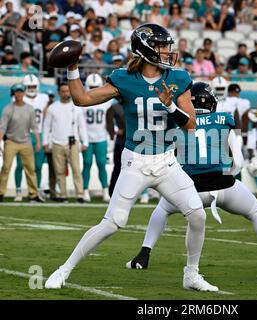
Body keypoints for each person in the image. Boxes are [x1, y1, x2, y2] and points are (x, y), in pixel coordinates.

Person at [45, 23, 218, 292]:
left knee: (197, 214)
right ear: (146, 48)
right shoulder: (124, 78)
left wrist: (169, 104)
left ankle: (191, 274)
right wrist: (72, 68)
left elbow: (190, 124)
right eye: (161, 46)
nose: (166, 51)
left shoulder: (179, 78)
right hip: (135, 162)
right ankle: (63, 270)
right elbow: (81, 99)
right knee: (113, 223)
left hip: (166, 162)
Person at [126, 82, 257, 274]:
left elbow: (167, 158)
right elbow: (238, 163)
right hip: (223, 185)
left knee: (162, 209)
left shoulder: (176, 123)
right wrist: (225, 179)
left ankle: (144, 254)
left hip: (189, 189)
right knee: (256, 212)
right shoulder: (225, 119)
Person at [43, 83, 88, 203]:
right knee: (59, 171)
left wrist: (85, 141)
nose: (65, 93)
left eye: (67, 91)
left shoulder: (77, 107)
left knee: (76, 169)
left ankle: (80, 195)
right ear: (59, 92)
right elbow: (47, 126)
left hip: (73, 143)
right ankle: (62, 195)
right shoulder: (53, 108)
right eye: (63, 91)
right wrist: (45, 142)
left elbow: (82, 126)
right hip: (57, 143)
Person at [0, 83, 43, 203]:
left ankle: (33, 194)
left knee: (30, 169)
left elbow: (34, 127)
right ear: (13, 94)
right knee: (6, 168)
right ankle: (1, 193)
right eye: (16, 92)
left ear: (24, 93)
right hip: (11, 142)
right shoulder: (8, 109)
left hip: (26, 142)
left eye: (21, 91)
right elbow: (2, 128)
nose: (19, 94)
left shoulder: (29, 109)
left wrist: (38, 141)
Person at [14, 75, 49, 202]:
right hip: (23, 134)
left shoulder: (43, 98)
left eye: (34, 86)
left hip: (38, 133)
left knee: (38, 166)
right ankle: (18, 190)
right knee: (20, 165)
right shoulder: (18, 98)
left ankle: (36, 190)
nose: (32, 89)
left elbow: (46, 118)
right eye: (29, 87)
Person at [82, 73, 112, 203]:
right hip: (87, 138)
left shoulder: (107, 102)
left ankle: (105, 191)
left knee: (101, 164)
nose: (94, 89)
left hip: (101, 137)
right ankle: (85, 191)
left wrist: (110, 138)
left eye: (96, 86)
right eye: (92, 86)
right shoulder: (82, 100)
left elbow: (110, 122)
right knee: (87, 164)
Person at [106, 100, 125, 196]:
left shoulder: (135, 104)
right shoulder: (114, 107)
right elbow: (108, 122)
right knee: (118, 168)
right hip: (121, 142)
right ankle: (112, 192)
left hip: (135, 141)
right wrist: (115, 131)